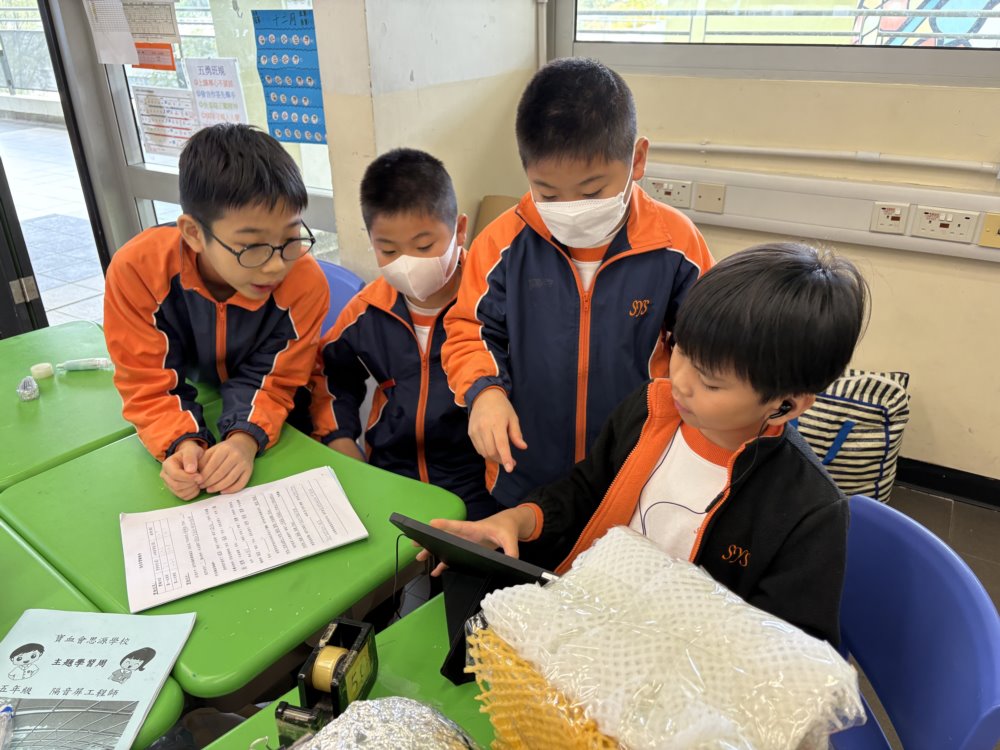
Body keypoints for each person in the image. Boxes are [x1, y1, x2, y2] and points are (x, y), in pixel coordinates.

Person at [425, 243, 869, 646]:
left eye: (711, 383)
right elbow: (585, 489)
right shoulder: (651, 409)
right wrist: (518, 520)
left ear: (786, 405)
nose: (681, 382)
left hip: (680, 674)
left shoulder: (807, 510)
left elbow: (790, 650)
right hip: (583, 625)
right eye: (680, 350)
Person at [443, 57, 713, 509]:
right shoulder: (502, 245)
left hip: (636, 470)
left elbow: (711, 345)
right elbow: (470, 329)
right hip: (524, 472)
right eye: (547, 193)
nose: (570, 208)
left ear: (637, 159)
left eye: (591, 192)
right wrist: (484, 392)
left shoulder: (675, 245)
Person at [104, 124, 328, 500]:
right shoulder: (138, 270)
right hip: (194, 398)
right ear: (193, 233)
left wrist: (243, 440)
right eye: (252, 247)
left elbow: (276, 380)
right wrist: (180, 442)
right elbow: (146, 380)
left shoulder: (304, 283)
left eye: (291, 238)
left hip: (275, 417)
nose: (276, 265)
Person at [310, 149, 494, 520]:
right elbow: (329, 374)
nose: (407, 263)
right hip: (391, 475)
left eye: (424, 246)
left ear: (460, 230)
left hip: (479, 484)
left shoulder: (492, 301)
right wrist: (339, 438)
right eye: (388, 250)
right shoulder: (367, 310)